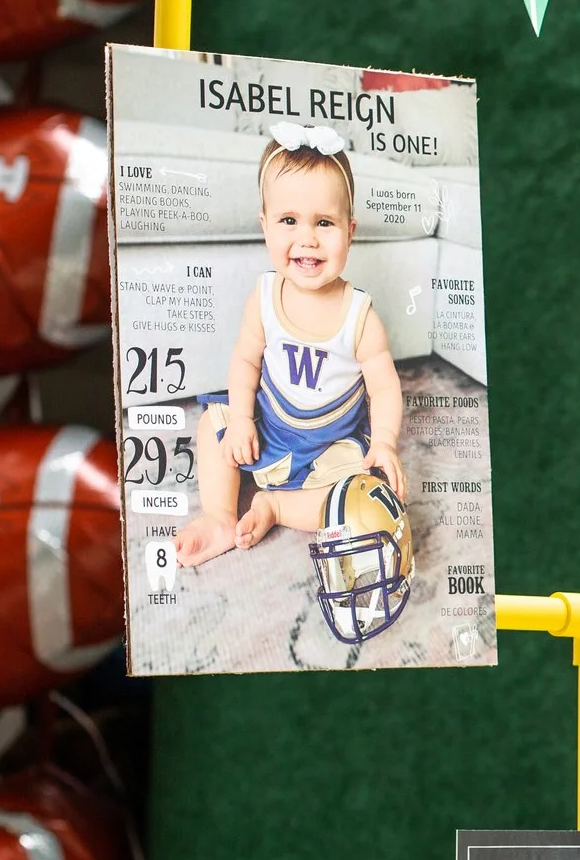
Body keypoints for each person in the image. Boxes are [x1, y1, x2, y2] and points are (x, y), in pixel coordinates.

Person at [174, 123, 406, 566]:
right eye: (288, 221)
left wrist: (386, 442)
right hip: (270, 425)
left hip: (330, 445)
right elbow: (245, 360)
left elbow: (384, 388)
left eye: (324, 222)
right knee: (211, 427)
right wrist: (242, 419)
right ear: (265, 226)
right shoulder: (263, 299)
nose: (308, 239)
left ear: (350, 231)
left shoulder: (360, 318)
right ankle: (221, 517)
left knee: (359, 493)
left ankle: (275, 506)